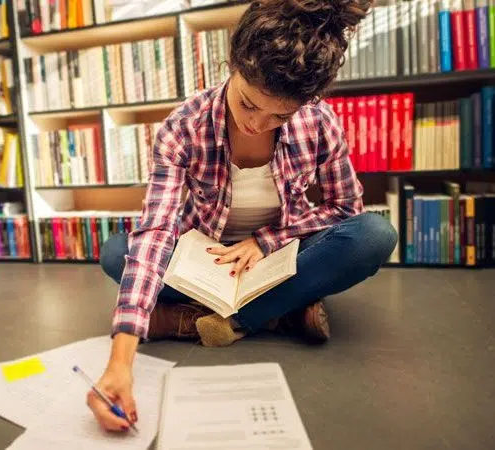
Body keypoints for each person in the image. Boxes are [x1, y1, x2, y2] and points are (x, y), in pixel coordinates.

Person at [89, 0, 396, 433]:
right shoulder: (183, 127)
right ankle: (283, 313)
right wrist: (121, 361)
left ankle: (213, 321)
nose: (258, 124)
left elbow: (346, 209)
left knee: (374, 235)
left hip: (282, 253)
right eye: (249, 104)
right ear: (232, 64)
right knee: (117, 253)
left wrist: (266, 240)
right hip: (208, 259)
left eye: (280, 116)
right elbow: (157, 229)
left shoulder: (319, 119)